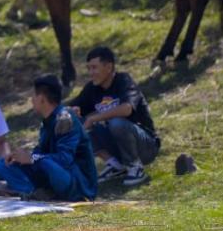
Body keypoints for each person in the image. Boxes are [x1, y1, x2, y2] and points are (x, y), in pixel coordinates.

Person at [0, 75, 97, 201]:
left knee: (46, 163)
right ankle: (32, 192)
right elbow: (41, 153)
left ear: (42, 98)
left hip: (78, 184)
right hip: (54, 175)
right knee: (5, 165)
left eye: (34, 96)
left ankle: (33, 192)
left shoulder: (65, 119)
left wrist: (32, 158)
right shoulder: (49, 120)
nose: (32, 100)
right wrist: (20, 157)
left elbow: (64, 159)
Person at [66, 46, 160, 186]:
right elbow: (72, 107)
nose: (91, 73)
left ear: (109, 67)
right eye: (89, 68)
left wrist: (93, 118)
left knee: (116, 122)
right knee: (75, 123)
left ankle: (135, 166)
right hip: (118, 146)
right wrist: (70, 111)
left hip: (146, 146)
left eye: (94, 68)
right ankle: (115, 165)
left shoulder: (124, 81)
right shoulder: (92, 89)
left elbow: (127, 109)